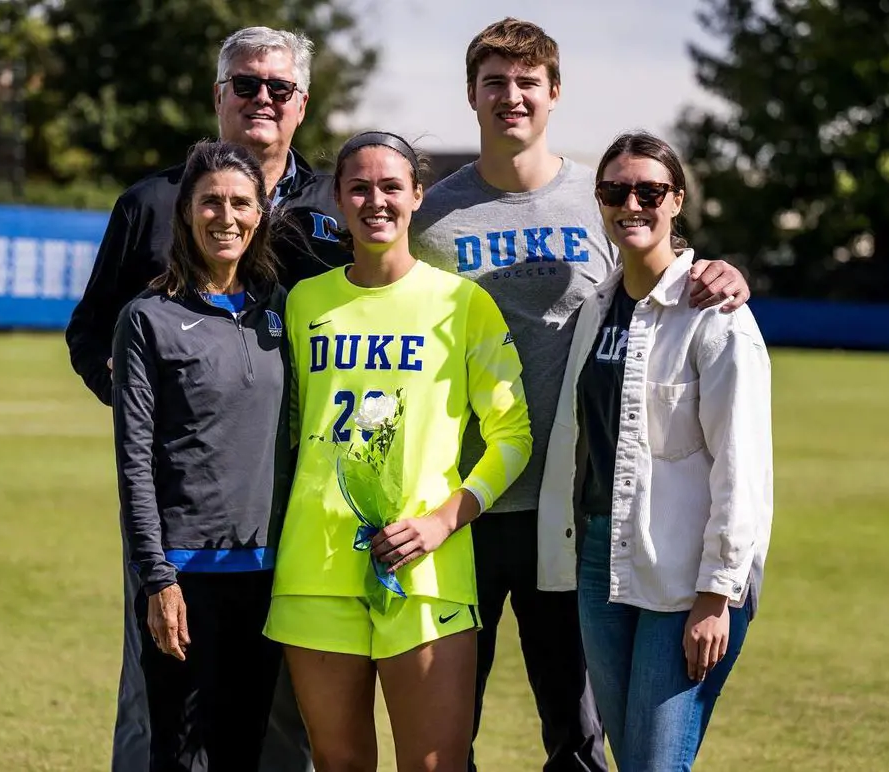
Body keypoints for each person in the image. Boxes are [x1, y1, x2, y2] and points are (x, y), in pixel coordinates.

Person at [409, 18, 752, 771]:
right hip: (460, 504)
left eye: (528, 82)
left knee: (577, 733)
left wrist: (717, 271)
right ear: (471, 94)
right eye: (495, 82)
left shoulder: (595, 203)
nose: (511, 97)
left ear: (554, 93)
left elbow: (655, 269)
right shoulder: (430, 214)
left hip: (570, 511)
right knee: (443, 734)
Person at [65, 26, 343, 772]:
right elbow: (93, 333)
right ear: (219, 95)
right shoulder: (151, 201)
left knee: (283, 695)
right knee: (161, 697)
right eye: (244, 85)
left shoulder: (334, 207)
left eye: (277, 88)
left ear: (302, 103)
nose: (261, 99)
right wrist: (160, 417)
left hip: (291, 502)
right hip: (177, 503)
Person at [265, 131, 532, 772]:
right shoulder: (305, 303)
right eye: (359, 186)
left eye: (391, 186)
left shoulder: (462, 303)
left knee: (433, 764)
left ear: (417, 195)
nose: (375, 200)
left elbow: (512, 436)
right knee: (337, 762)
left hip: (427, 571)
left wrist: (443, 520)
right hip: (315, 570)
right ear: (338, 199)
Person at [537, 131, 774, 770]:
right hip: (601, 562)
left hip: (687, 574)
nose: (631, 203)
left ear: (677, 201)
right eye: (616, 190)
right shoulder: (595, 305)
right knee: (633, 755)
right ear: (600, 201)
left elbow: (742, 464)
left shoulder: (714, 312)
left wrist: (717, 594)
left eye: (650, 190)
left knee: (656, 764)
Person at [112, 140, 293, 771]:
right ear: (185, 212)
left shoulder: (281, 311)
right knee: (180, 757)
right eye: (210, 201)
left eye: (242, 202)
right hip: (184, 574)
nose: (227, 216)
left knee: (243, 752)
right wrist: (157, 578)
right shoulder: (147, 318)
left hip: (270, 576)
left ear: (261, 213)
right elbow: (134, 460)